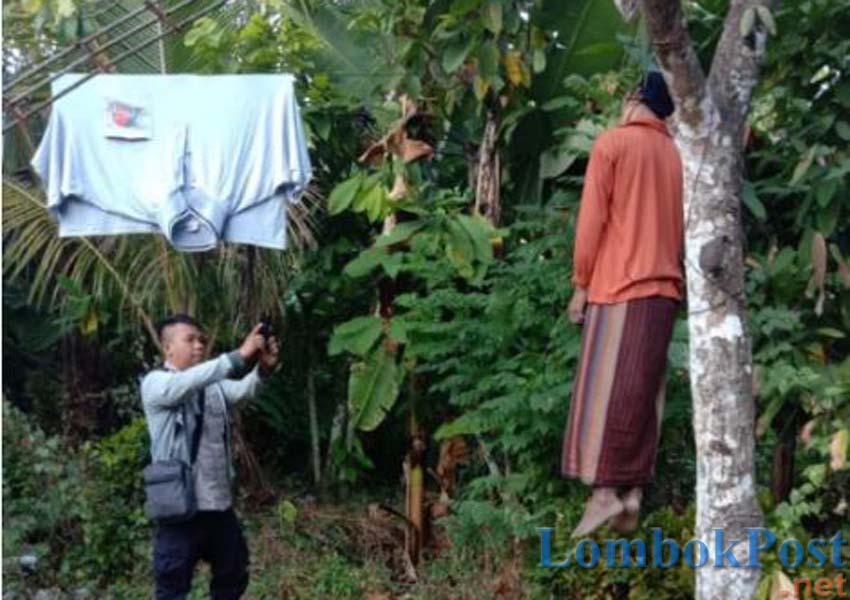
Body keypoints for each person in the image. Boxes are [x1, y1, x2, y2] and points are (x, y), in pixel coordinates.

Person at [561, 72, 684, 537]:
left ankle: (605, 494)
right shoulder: (676, 155)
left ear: (635, 99)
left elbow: (591, 220)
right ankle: (632, 492)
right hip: (665, 293)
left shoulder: (613, 144)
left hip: (618, 286)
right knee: (644, 392)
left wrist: (581, 284)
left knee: (603, 393)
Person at [140, 314, 279, 598]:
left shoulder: (213, 386)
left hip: (218, 506)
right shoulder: (156, 383)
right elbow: (186, 385)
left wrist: (262, 370)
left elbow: (242, 392)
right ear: (168, 348)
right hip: (180, 511)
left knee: (233, 576)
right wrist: (239, 356)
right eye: (189, 340)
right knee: (172, 589)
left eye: (201, 340)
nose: (199, 346)